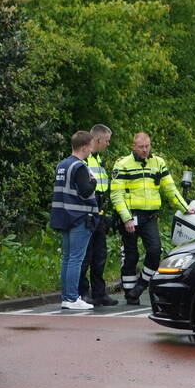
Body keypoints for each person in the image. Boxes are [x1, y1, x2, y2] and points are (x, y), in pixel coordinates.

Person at [109, 132, 194, 305]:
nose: (145, 150)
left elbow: (170, 189)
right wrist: (126, 218)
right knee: (130, 255)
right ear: (133, 146)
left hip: (149, 217)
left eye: (147, 146)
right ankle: (130, 294)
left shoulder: (158, 163)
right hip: (130, 215)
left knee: (155, 251)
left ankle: (140, 286)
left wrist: (185, 208)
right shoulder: (122, 165)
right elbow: (116, 194)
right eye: (141, 147)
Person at [50, 130, 99, 310]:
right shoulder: (79, 166)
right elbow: (86, 191)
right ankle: (72, 298)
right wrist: (93, 182)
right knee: (76, 259)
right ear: (84, 147)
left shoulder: (62, 165)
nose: (91, 151)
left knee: (67, 258)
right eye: (91, 148)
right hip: (79, 216)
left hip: (63, 215)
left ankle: (66, 296)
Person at [77, 124, 118, 307]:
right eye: (107, 141)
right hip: (87, 211)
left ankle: (99, 293)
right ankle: (83, 292)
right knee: (86, 255)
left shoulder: (98, 159)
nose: (108, 144)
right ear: (98, 140)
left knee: (100, 255)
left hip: (99, 211)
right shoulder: (85, 160)